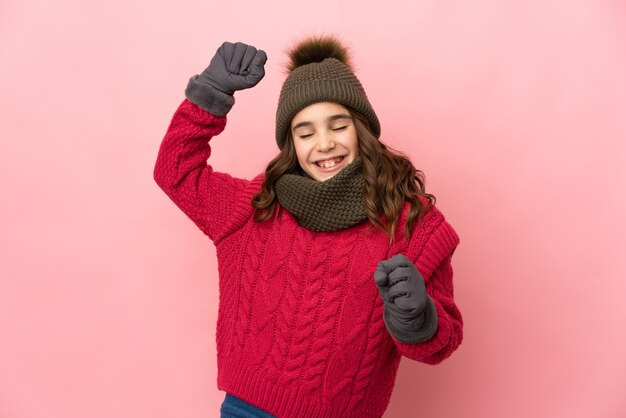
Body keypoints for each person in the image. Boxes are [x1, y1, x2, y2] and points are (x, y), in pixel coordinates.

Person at [154, 35, 463, 418]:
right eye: (305, 132)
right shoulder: (253, 209)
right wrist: (211, 93)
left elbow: (440, 346)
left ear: (362, 129)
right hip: (246, 411)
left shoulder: (415, 227)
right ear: (291, 144)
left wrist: (419, 317)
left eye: (338, 126)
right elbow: (175, 172)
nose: (323, 144)